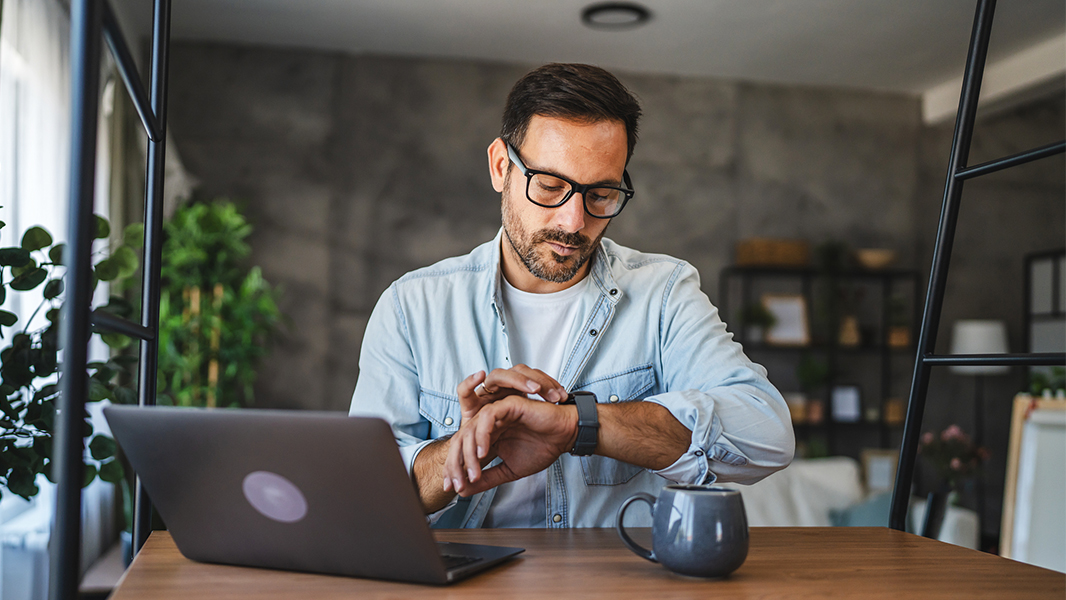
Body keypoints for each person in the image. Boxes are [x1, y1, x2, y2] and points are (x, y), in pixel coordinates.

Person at [349, 63, 794, 529]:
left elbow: (767, 433)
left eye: (601, 194)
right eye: (550, 186)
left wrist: (578, 425)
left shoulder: (663, 294)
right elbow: (360, 495)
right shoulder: (410, 307)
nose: (573, 222)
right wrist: (468, 451)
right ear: (501, 167)